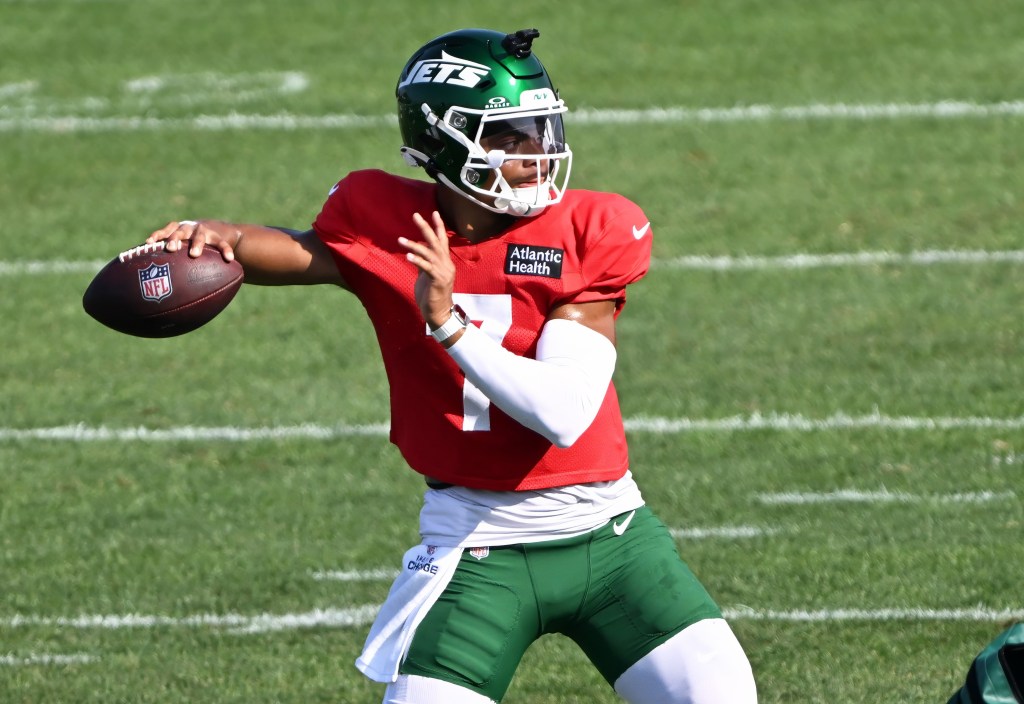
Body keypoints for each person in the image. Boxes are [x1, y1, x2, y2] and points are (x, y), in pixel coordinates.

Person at [147, 27, 758, 704]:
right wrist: (223, 239)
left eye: (541, 128)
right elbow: (305, 252)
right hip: (476, 547)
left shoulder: (588, 229)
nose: (536, 151)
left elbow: (562, 413)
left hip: (613, 542)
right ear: (442, 141)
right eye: (508, 136)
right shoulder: (384, 222)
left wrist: (448, 322)